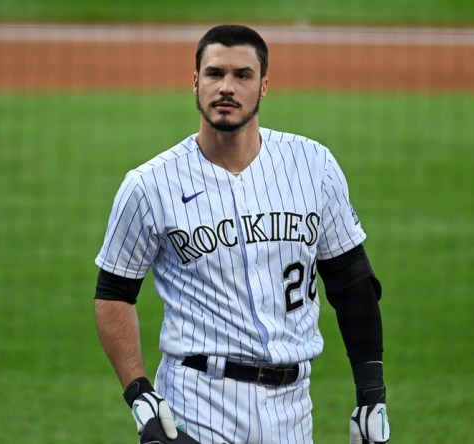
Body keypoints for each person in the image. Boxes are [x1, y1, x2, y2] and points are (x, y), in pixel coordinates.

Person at [94, 24, 390, 444]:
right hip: (195, 403)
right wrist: (139, 392)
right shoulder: (150, 185)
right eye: (214, 74)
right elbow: (113, 292)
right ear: (195, 82)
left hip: (292, 407)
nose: (226, 87)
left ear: (264, 86)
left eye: (243, 75)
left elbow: (350, 281)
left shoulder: (314, 165)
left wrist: (371, 392)